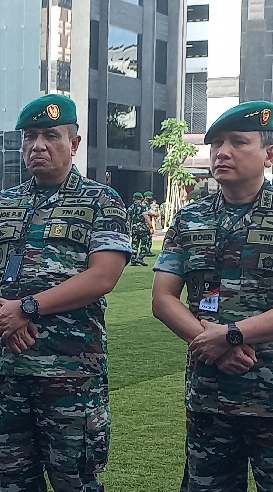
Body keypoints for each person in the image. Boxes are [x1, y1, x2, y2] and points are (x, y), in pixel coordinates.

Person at [0, 94, 132, 491]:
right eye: (30, 136)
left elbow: (103, 276)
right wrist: (0, 315)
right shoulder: (5, 203)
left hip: (69, 373)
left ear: (73, 144)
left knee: (74, 480)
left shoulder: (101, 201)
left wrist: (28, 308)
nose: (38, 145)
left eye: (50, 136)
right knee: (12, 480)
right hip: (7, 369)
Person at [152, 100, 273, 491]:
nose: (222, 152)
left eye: (238, 142)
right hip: (210, 394)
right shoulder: (191, 217)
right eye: (216, 143)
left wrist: (230, 334)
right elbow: (163, 298)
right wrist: (215, 344)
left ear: (269, 154)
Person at [128, 191, 153, 266]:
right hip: (142, 228)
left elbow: (129, 219)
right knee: (144, 243)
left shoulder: (130, 208)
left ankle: (133, 259)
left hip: (134, 228)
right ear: (141, 198)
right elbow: (146, 216)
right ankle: (140, 258)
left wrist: (129, 228)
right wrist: (151, 226)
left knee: (134, 244)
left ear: (133, 199)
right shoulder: (143, 206)